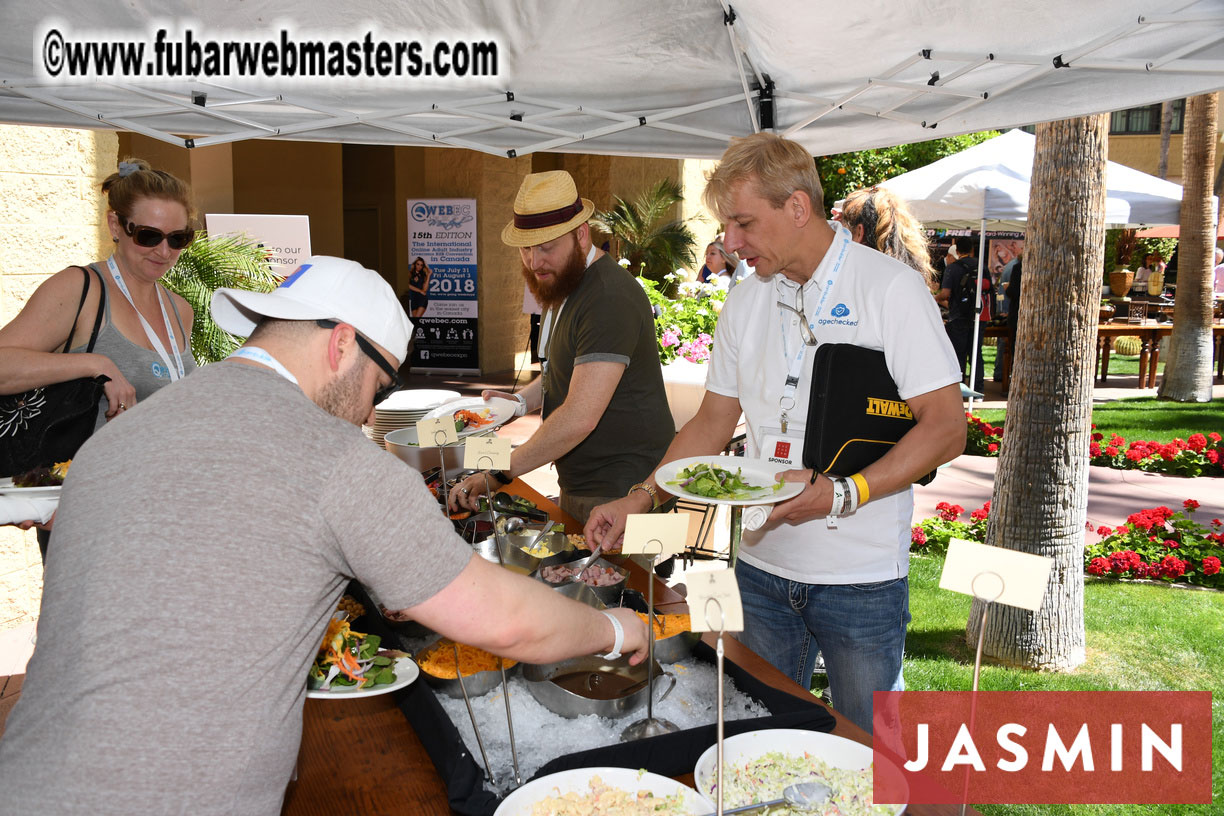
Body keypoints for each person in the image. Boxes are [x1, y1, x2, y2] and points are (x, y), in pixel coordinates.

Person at [0, 256, 649, 815]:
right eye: (379, 383)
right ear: (342, 344)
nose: (370, 410)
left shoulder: (116, 439)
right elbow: (505, 622)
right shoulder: (335, 460)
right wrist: (618, 630)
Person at [584, 133, 965, 734]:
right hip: (761, 569)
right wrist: (640, 498)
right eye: (726, 226)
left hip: (859, 579)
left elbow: (946, 428)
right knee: (760, 731)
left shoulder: (889, 288)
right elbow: (712, 422)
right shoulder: (744, 301)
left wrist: (842, 493)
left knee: (871, 751)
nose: (730, 243)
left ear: (796, 207)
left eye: (742, 223)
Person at [448, 171, 673, 524]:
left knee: (622, 581)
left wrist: (499, 472)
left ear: (581, 235)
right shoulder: (569, 286)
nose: (535, 262)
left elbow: (580, 417)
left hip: (622, 492)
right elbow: (562, 371)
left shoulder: (607, 298)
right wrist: (521, 401)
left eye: (546, 247)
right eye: (526, 248)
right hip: (588, 483)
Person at [0, 157, 197, 557]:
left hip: (166, 512)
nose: (164, 251)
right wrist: (96, 364)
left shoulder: (180, 309)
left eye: (178, 238)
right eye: (147, 235)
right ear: (115, 227)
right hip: (90, 519)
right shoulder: (80, 289)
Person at [838, 186, 937, 290]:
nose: (837, 236)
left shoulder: (859, 282)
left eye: (842, 229)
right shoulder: (910, 277)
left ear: (859, 233)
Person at [937, 236, 990, 393]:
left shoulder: (952, 268)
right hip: (978, 315)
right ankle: (978, 389)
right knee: (976, 353)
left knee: (958, 353)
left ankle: (959, 391)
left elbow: (945, 293)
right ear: (972, 250)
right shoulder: (982, 266)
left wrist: (933, 298)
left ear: (957, 251)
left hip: (958, 315)